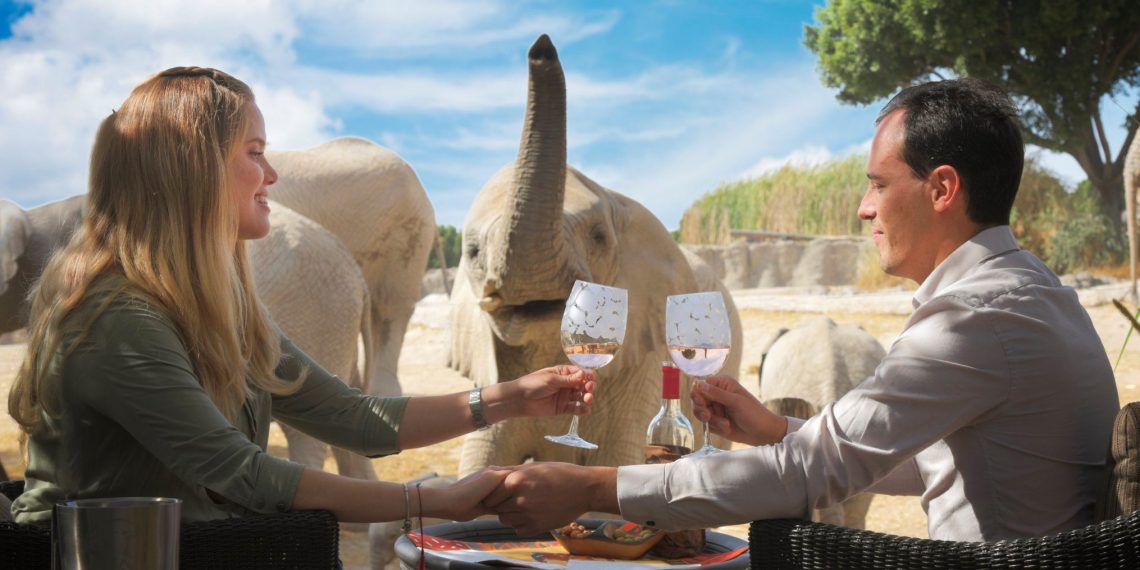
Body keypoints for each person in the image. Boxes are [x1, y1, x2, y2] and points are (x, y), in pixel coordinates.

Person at [484, 78, 1121, 542]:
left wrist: (598, 487)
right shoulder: (1039, 295)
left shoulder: (974, 320)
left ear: (943, 188)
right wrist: (774, 430)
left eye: (878, 185)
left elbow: (805, 476)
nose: (864, 210)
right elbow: (930, 462)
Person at [6, 66, 595, 527]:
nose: (272, 175)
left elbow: (350, 415)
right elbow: (243, 475)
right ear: (194, 168)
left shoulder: (221, 308)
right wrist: (429, 500)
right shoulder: (116, 316)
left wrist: (512, 398)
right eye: (254, 153)